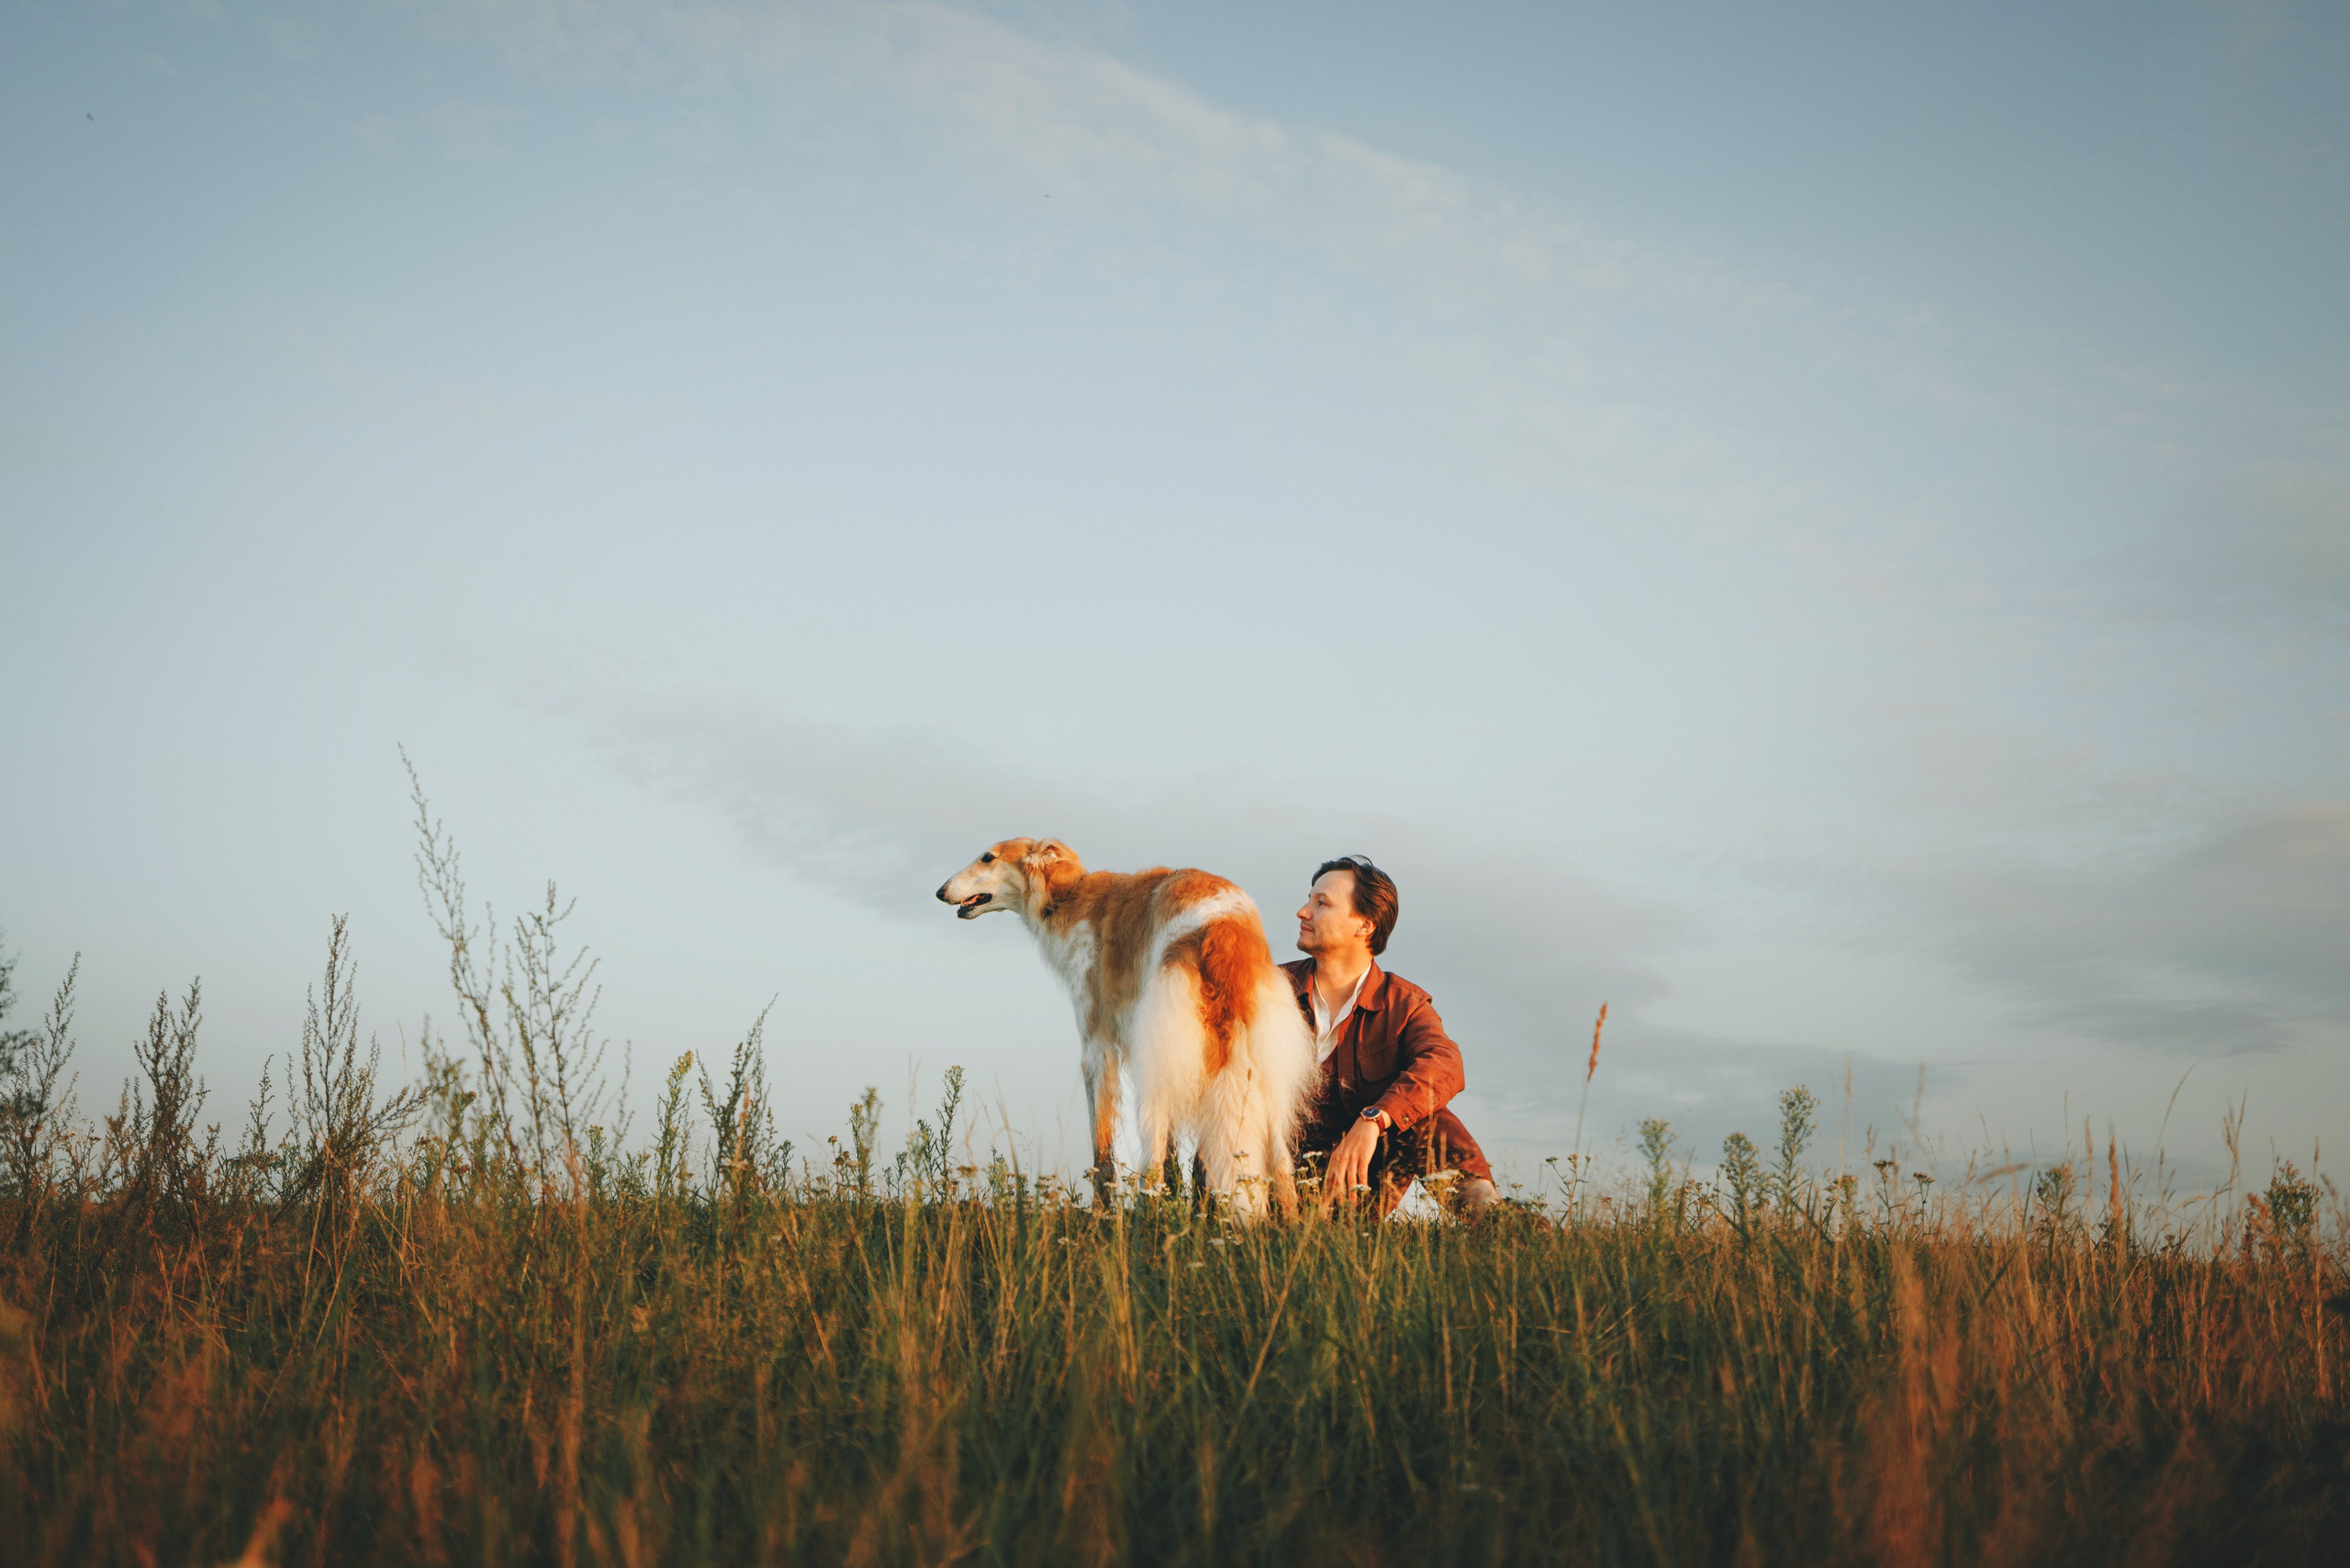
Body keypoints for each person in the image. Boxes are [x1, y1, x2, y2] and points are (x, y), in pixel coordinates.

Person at [1285, 856, 1499, 1218]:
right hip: (1268, 1180)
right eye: (1309, 899)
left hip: (1354, 1187)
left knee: (1424, 1116)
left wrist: (1375, 1119)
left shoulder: (1404, 1003)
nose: (1302, 912)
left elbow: (1444, 1063)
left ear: (1365, 925)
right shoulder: (1270, 990)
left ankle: (1495, 1223)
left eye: (1321, 903)